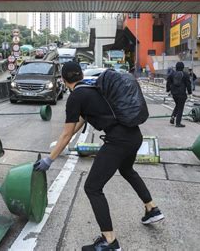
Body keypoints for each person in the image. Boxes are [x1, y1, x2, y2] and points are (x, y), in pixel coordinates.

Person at [34, 62, 164, 251]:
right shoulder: (91, 88)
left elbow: (66, 133)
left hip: (118, 141)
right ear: (80, 74)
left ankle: (109, 241)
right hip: (134, 135)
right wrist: (67, 140)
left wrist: (49, 160)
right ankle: (152, 208)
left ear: (63, 79)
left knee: (92, 188)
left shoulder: (76, 96)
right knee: (127, 170)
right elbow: (81, 120)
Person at [166, 62, 192, 127]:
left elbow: (168, 82)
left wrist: (168, 90)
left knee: (177, 105)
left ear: (176, 67)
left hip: (174, 93)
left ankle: (173, 116)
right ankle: (178, 123)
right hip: (182, 94)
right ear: (183, 67)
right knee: (180, 108)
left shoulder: (172, 74)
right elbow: (188, 84)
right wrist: (190, 93)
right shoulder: (185, 75)